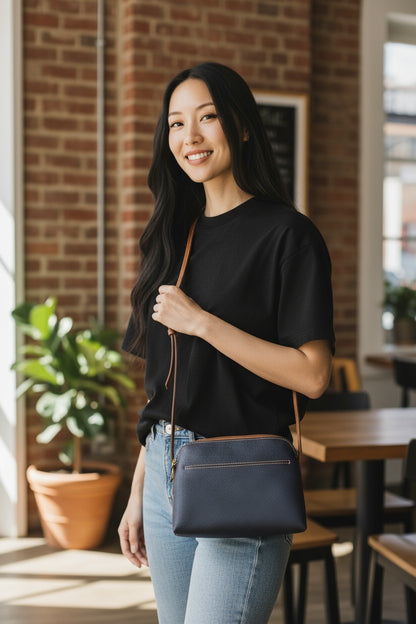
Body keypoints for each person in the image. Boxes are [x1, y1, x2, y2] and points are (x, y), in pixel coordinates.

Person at [118, 62, 335, 624]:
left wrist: (203, 323)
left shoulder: (288, 235)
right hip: (165, 468)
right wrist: (139, 494)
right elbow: (162, 390)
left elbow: (312, 374)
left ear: (240, 125)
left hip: (242, 470)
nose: (189, 137)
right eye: (175, 124)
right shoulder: (172, 239)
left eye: (207, 117)